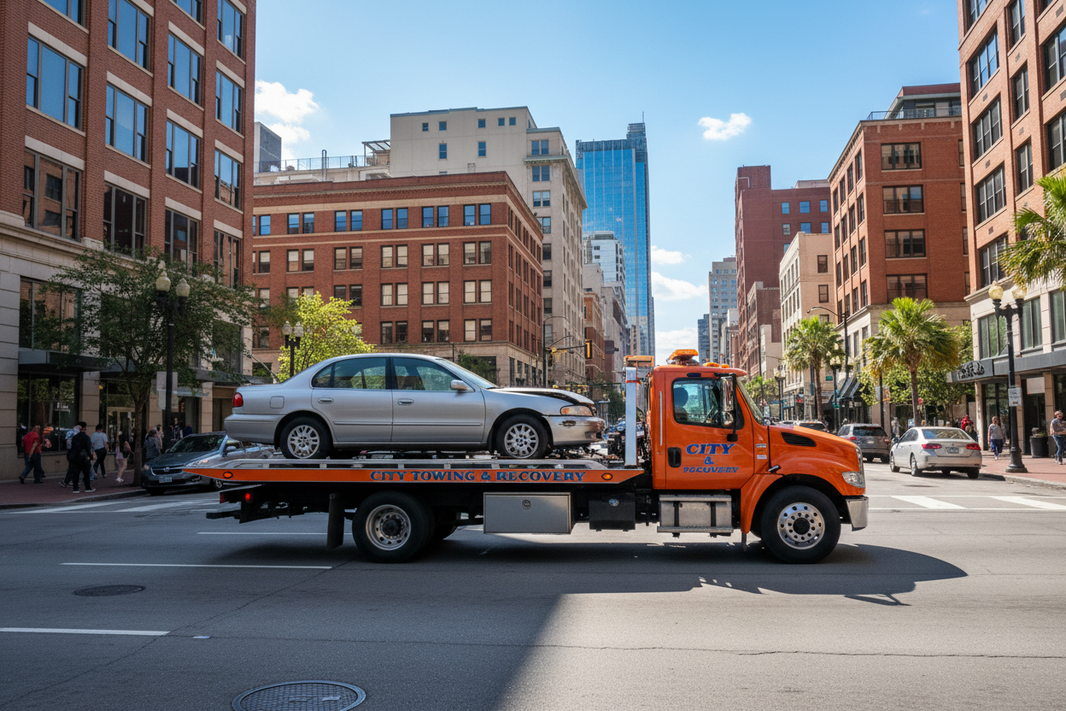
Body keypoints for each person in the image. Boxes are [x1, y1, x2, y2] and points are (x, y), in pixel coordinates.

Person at [68, 421, 96, 493]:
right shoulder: (86, 438)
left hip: (76, 457)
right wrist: (90, 456)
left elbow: (72, 447)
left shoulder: (75, 438)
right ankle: (87, 487)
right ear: (84, 429)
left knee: (76, 473)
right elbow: (88, 448)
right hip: (84, 458)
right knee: (86, 473)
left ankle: (75, 488)